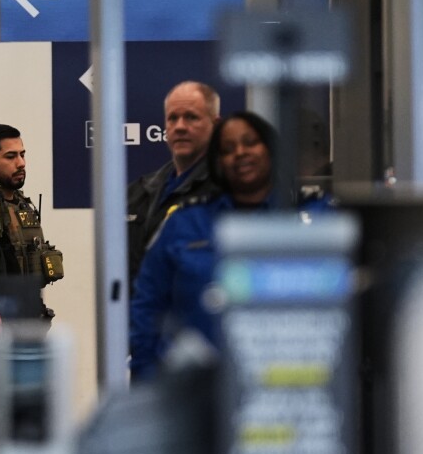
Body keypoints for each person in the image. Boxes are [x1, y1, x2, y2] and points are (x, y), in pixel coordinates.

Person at [129, 112, 334, 382]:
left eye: (250, 143)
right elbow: (147, 307)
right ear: (218, 162)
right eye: (228, 149)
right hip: (199, 390)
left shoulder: (311, 218)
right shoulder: (186, 223)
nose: (240, 153)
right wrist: (148, 384)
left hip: (284, 384)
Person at [127, 81, 222, 287]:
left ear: (215, 125)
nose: (180, 127)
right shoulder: (138, 193)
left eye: (191, 117)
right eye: (173, 118)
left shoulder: (229, 191)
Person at [0, 123, 62, 322]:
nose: (21, 163)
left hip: (28, 318)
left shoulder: (22, 205)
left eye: (22, 154)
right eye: (11, 156)